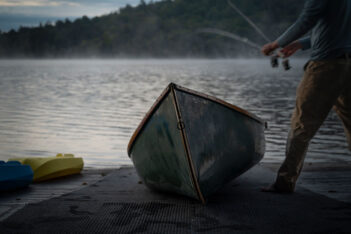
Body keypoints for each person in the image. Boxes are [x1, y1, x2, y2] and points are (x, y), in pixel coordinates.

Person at [261, 0, 351, 193]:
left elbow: (306, 20)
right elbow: (337, 28)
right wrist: (302, 44)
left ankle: (285, 182)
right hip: (347, 63)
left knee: (302, 124)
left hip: (325, 66)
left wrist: (276, 44)